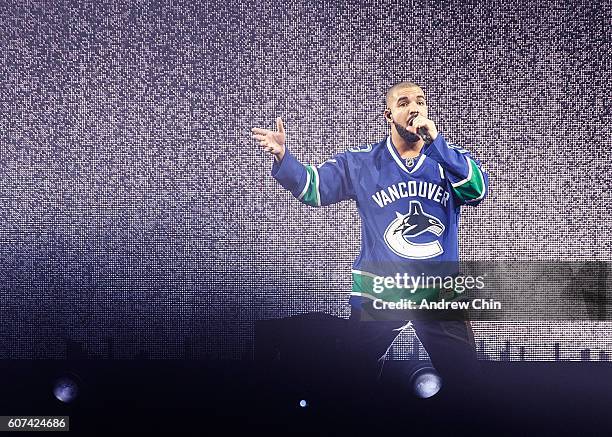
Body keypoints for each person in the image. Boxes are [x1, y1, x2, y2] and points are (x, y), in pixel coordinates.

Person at [251, 81, 489, 395]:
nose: (414, 107)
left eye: (420, 101)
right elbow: (314, 187)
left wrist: (437, 145)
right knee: (354, 382)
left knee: (467, 384)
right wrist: (284, 157)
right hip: (381, 291)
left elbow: (477, 191)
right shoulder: (361, 162)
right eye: (404, 103)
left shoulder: (448, 161)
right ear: (389, 114)